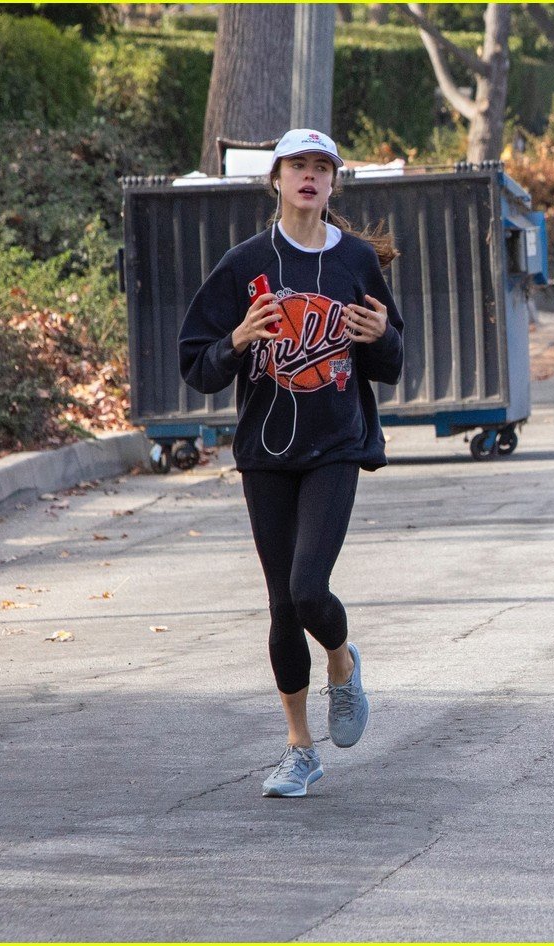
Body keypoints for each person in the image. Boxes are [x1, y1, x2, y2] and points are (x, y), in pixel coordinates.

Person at [179, 129, 405, 798]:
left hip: (336, 444)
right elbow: (197, 363)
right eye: (297, 166)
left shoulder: (357, 261)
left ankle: (341, 660)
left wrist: (380, 335)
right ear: (275, 179)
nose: (309, 176)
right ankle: (299, 748)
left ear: (334, 183)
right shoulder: (244, 264)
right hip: (266, 451)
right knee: (282, 606)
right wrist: (238, 339)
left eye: (321, 167)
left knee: (310, 589)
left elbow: (393, 359)